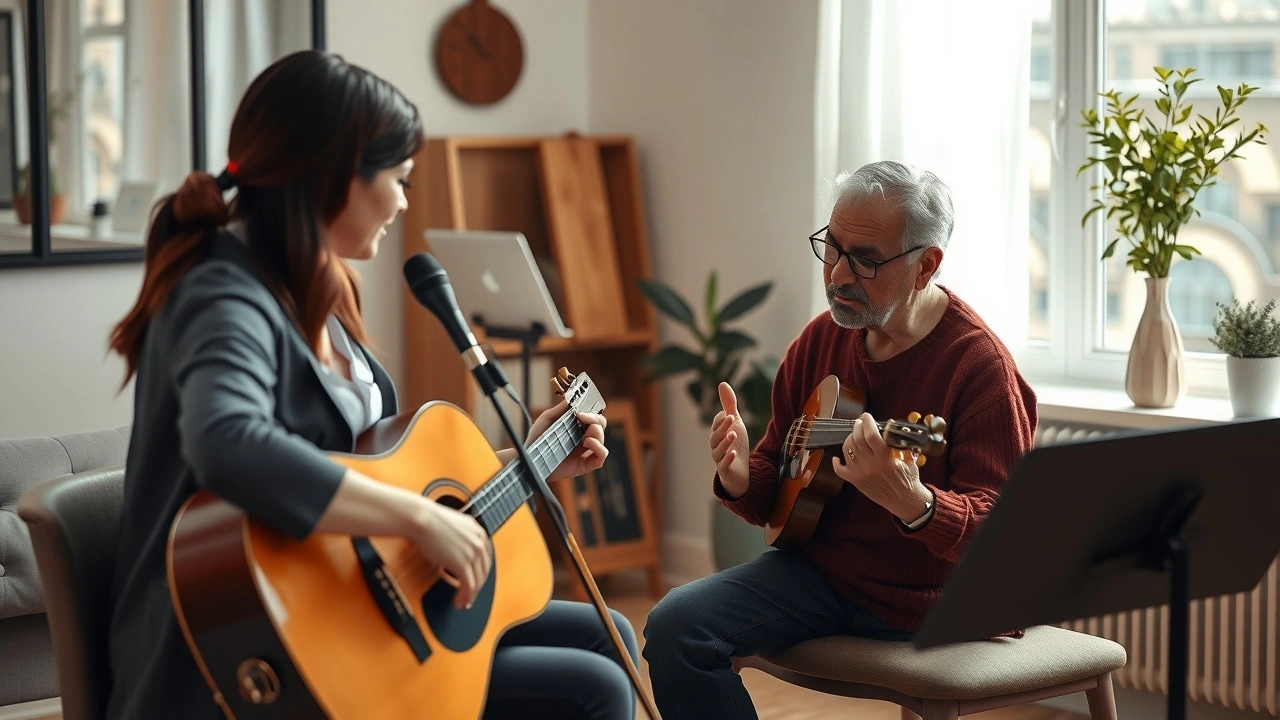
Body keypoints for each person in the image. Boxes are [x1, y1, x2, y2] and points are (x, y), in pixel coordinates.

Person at [104, 50, 637, 720]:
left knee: (611, 635)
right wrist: (417, 517)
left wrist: (526, 460)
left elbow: (360, 469)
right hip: (247, 643)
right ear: (336, 179)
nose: (406, 201)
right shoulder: (220, 291)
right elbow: (229, 443)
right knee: (600, 688)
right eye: (399, 178)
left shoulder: (317, 285)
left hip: (351, 601)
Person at [642, 160, 1038, 719]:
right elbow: (779, 495)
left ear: (926, 266)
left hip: (932, 603)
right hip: (824, 580)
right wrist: (737, 474)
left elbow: (1004, 542)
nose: (836, 275)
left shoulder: (979, 370)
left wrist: (915, 504)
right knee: (675, 626)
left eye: (865, 260)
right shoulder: (819, 341)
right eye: (832, 247)